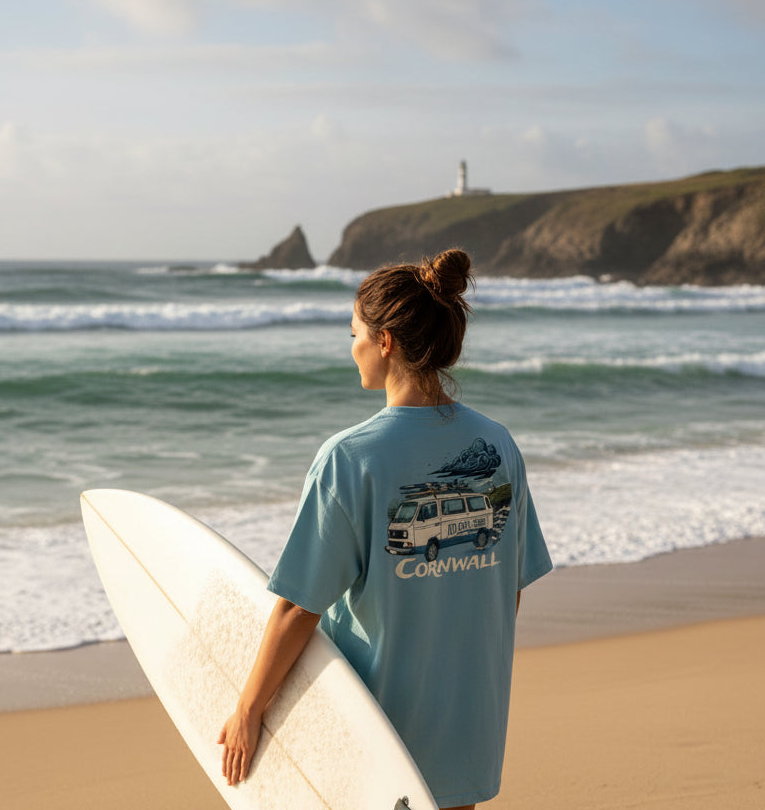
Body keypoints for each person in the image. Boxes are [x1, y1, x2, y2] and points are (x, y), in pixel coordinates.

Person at [218, 248, 552, 809]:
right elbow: (507, 589)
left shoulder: (349, 459)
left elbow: (299, 607)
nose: (351, 350)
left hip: (381, 732)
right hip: (471, 725)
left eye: (353, 334)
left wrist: (248, 710)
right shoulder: (499, 446)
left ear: (386, 341)